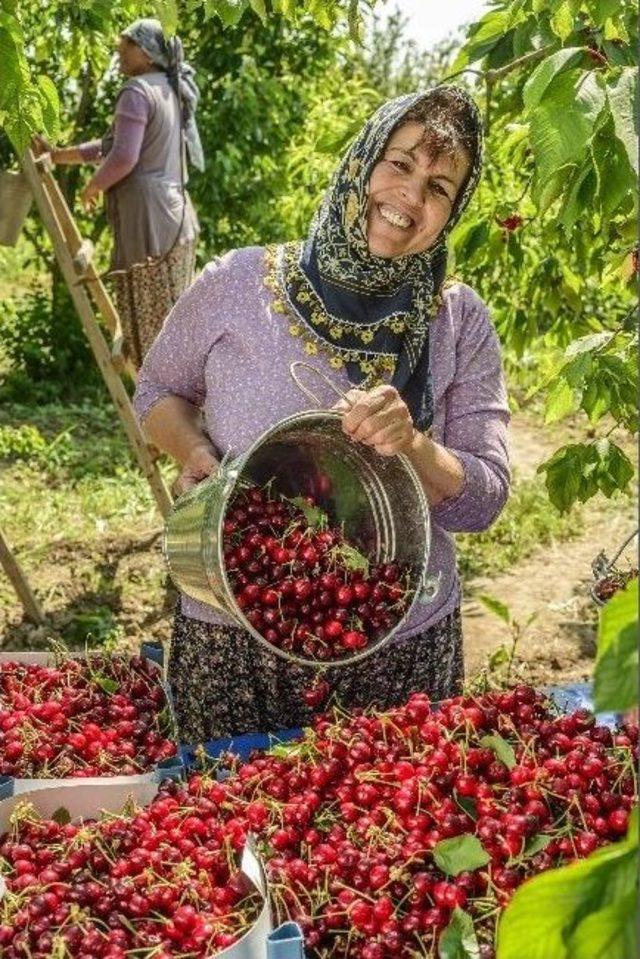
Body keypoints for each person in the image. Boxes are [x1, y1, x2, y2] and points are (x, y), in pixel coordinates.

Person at [134, 85, 511, 745]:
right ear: (365, 160)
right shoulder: (238, 283)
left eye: (439, 187)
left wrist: (414, 445)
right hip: (234, 629)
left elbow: (485, 498)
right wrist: (197, 456)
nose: (410, 198)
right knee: (228, 833)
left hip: (398, 642)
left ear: (452, 211)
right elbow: (156, 393)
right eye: (399, 164)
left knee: (384, 832)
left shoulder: (458, 320)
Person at [37, 19, 203, 367]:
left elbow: (124, 157)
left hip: (149, 225)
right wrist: (58, 155)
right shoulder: (168, 88)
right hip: (176, 218)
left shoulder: (137, 90)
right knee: (172, 324)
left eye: (124, 46)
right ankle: (182, 410)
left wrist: (93, 185)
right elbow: (114, 146)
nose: (118, 53)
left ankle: (158, 411)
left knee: (151, 332)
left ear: (144, 51)